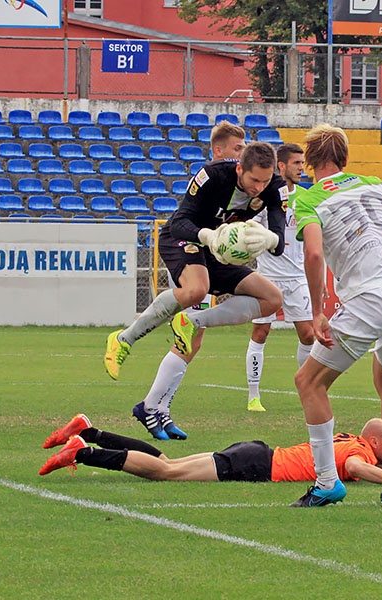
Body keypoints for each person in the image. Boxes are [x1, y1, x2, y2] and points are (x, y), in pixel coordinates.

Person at [104, 141, 289, 439]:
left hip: (218, 252)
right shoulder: (212, 175)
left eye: (265, 181)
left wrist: (269, 239)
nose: (259, 187)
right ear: (240, 168)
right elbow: (178, 222)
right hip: (186, 241)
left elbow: (280, 242)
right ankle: (123, 339)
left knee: (271, 299)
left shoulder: (275, 188)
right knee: (196, 289)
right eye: (254, 180)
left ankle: (154, 407)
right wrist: (207, 235)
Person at [291, 124, 382, 507]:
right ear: (345, 158)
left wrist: (317, 311)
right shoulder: (377, 184)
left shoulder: (309, 199)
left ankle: (326, 482)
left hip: (371, 297)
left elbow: (314, 254)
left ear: (312, 161)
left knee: (309, 382)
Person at [123, 121, 248, 441]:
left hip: (208, 254)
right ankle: (129, 342)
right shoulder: (214, 176)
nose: (242, 153)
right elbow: (187, 218)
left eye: (245, 148)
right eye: (238, 148)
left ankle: (155, 408)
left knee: (194, 340)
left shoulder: (250, 185)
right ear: (218, 150)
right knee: (193, 302)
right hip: (188, 247)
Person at [39, 413, 382, 491]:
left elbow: (353, 461)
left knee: (166, 463)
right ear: (376, 442)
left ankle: (88, 431)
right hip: (256, 464)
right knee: (165, 473)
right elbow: (355, 466)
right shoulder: (359, 452)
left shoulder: (352, 439)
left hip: (257, 453)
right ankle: (82, 452)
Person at [245, 143, 314, 412]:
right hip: (268, 277)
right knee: (260, 332)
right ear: (281, 166)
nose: (301, 168)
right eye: (297, 163)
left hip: (297, 277)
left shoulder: (307, 198)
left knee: (308, 335)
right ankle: (253, 395)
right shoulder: (265, 198)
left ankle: (307, 389)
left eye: (302, 163)